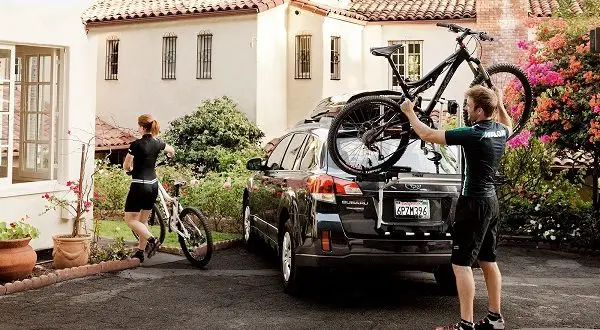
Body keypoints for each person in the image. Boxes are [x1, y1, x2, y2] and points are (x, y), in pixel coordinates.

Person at [399, 85, 511, 330]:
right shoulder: (501, 131)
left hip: (473, 203)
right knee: (488, 260)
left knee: (461, 265)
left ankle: (465, 324)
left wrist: (410, 113)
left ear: (480, 111)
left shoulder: (473, 134)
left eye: (469, 106)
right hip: (491, 203)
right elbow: (508, 122)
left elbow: (428, 135)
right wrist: (500, 103)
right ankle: (495, 319)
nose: (467, 110)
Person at [122, 114, 175, 262]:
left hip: (139, 186)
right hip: (153, 186)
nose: (137, 127)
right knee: (143, 220)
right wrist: (169, 157)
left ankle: (152, 240)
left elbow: (126, 166)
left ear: (142, 127)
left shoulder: (135, 145)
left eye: (138, 125)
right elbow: (171, 150)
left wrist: (130, 170)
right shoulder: (158, 143)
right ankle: (140, 252)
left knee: (130, 220)